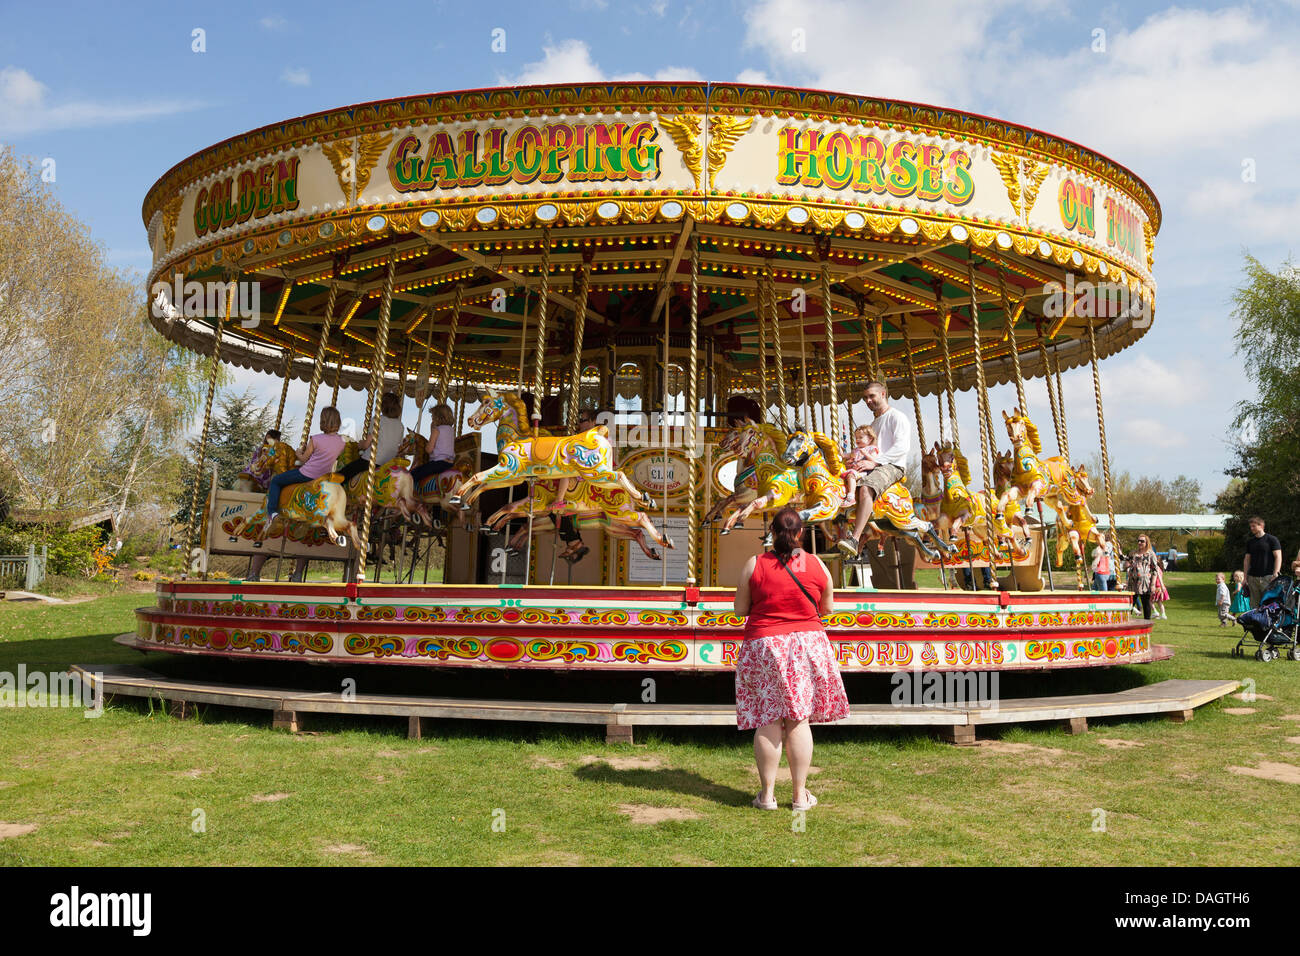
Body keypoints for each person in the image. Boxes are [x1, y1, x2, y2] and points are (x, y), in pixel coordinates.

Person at [733, 507, 849, 811]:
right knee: (799, 720)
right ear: (801, 533)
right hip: (806, 644)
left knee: (769, 719)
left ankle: (767, 795)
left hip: (765, 644)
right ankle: (799, 796)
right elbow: (827, 609)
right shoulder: (817, 565)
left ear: (772, 532)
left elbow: (740, 609)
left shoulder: (755, 563)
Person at [839, 382, 911, 558]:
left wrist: (875, 462)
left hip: (893, 465)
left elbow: (901, 447)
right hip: (874, 464)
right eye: (865, 398)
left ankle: (855, 539)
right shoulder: (874, 423)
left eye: (872, 396)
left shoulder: (897, 417)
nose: (868, 400)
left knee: (866, 487)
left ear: (883, 394)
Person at [257, 406, 345, 544]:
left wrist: (298, 452)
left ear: (323, 421)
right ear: (338, 421)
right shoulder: (342, 442)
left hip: (307, 474)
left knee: (277, 481)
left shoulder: (315, 439)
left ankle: (273, 513)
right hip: (324, 477)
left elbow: (303, 459)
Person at [339, 392, 404, 482]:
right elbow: (398, 446)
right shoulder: (400, 425)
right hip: (389, 464)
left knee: (343, 474)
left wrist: (359, 445)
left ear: (382, 406)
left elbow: (366, 445)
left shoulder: (378, 420)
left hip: (371, 461)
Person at [409, 404, 457, 486]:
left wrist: (426, 445)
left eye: (432, 417)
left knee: (413, 474)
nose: (432, 419)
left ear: (437, 418)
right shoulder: (451, 430)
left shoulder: (436, 430)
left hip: (438, 463)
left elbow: (429, 449)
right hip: (450, 463)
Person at [1242, 516, 1282, 608]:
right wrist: (1245, 577)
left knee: (1268, 605)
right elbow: (1247, 560)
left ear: (1261, 525)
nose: (1251, 528)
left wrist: (1276, 573)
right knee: (1254, 606)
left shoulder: (1272, 540)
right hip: (1252, 578)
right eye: (1250, 526)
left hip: (1268, 577)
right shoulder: (1250, 542)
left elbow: (1278, 557)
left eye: (1253, 526)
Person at [840, 424, 879, 505]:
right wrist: (840, 453)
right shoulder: (855, 450)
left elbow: (874, 460)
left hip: (865, 472)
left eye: (861, 437)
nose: (857, 439)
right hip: (855, 470)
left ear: (870, 438)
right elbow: (845, 456)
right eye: (856, 438)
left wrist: (866, 454)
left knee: (850, 475)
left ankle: (851, 496)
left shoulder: (872, 448)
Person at [1125, 534, 1161, 620]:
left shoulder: (1150, 554)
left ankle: (1147, 623)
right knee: (1130, 603)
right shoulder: (1134, 553)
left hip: (1145, 583)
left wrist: (1153, 584)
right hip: (1133, 582)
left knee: (1146, 603)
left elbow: (1155, 570)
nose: (1139, 543)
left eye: (1142, 541)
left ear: (1146, 542)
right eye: (1138, 541)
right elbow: (1127, 564)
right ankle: (1126, 621)